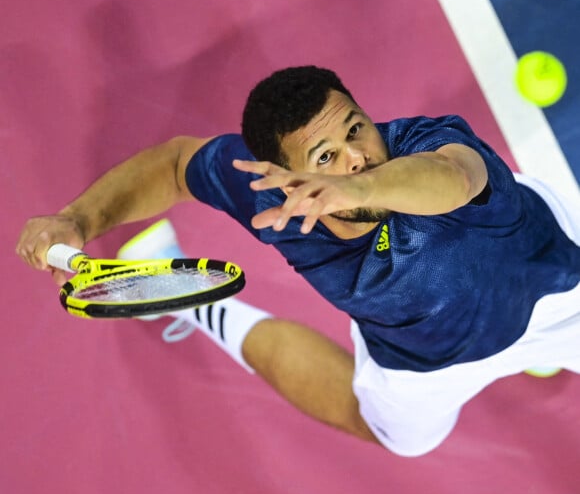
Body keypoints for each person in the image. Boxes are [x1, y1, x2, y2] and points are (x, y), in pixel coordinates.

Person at [16, 66, 580, 457]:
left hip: (560, 292)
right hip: (422, 356)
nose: (357, 157)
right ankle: (192, 300)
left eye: (356, 129)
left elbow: (454, 177)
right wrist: (78, 220)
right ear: (284, 175)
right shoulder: (267, 191)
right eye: (325, 156)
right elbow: (172, 165)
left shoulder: (434, 144)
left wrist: (354, 190)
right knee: (391, 434)